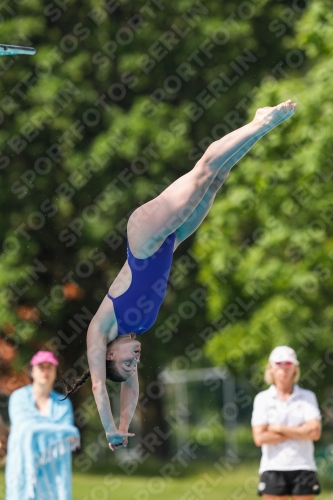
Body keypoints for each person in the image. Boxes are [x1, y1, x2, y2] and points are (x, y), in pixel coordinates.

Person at [63, 100, 297, 451]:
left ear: (109, 356)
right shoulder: (134, 331)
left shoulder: (102, 330)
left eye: (128, 361)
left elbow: (100, 386)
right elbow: (131, 387)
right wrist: (127, 425)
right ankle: (262, 127)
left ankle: (259, 121)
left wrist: (110, 427)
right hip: (169, 241)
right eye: (135, 364)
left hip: (143, 237)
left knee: (202, 171)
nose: (135, 360)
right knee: (216, 179)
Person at [5, 351, 80, 500]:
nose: (45, 371)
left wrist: (38, 429)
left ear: (54, 372)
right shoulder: (18, 398)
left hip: (54, 471)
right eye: (41, 367)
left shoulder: (63, 403)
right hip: (22, 469)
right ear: (32, 371)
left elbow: (68, 435)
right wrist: (60, 431)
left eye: (49, 367)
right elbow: (25, 428)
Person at [252, 346, 322, 499]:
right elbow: (260, 438)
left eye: (288, 364)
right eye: (279, 363)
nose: (283, 368)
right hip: (273, 467)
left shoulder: (307, 397)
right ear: (271, 368)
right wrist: (300, 432)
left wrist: (278, 428)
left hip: (304, 465)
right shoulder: (262, 399)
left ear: (295, 368)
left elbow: (315, 433)